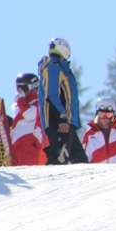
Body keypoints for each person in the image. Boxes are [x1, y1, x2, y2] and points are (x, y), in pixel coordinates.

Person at [38, 37, 88, 165]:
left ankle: (84, 184)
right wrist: (62, 118)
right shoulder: (53, 67)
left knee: (80, 160)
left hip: (67, 122)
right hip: (59, 122)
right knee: (59, 159)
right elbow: (52, 95)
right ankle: (48, 183)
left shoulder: (61, 69)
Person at [10, 73, 46, 166]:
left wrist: (21, 100)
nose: (20, 91)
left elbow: (29, 115)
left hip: (28, 142)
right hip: (17, 144)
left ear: (32, 87)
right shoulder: (21, 105)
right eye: (18, 88)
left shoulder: (38, 102)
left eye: (23, 88)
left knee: (26, 171)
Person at [82, 97, 116, 164]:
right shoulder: (90, 134)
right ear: (97, 114)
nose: (105, 118)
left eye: (109, 114)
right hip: (98, 173)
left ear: (113, 115)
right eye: (102, 114)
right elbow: (85, 159)